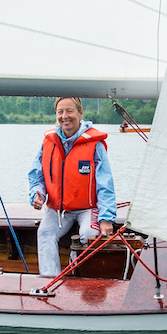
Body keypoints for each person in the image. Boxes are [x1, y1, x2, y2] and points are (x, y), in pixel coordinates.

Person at [28, 97, 116, 277]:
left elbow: (105, 183)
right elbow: (37, 176)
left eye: (69, 111)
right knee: (45, 233)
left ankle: (76, 275)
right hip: (58, 210)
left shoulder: (95, 143)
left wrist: (106, 218)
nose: (64, 116)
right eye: (60, 112)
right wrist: (37, 195)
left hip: (88, 208)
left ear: (80, 113)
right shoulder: (48, 142)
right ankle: (50, 279)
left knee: (89, 235)